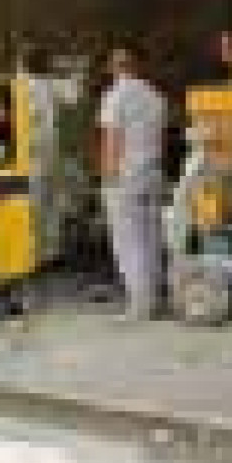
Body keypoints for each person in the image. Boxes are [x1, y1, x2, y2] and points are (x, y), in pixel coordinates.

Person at [98, 45, 168, 320]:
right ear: (136, 66)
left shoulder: (115, 96)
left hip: (124, 175)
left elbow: (112, 139)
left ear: (114, 68)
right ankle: (155, 295)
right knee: (151, 235)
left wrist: (106, 176)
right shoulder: (155, 96)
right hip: (152, 172)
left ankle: (139, 304)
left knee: (128, 238)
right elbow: (161, 141)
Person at [19, 46, 60, 268]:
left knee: (44, 204)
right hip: (33, 156)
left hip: (44, 155)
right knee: (35, 205)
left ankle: (43, 253)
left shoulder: (44, 84)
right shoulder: (23, 86)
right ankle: (35, 255)